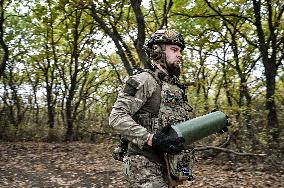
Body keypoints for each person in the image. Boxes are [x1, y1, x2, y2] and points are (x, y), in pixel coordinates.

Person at [109, 28, 194, 188]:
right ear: (157, 51)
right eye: (174, 50)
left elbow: (176, 126)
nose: (180, 55)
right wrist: (150, 138)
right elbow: (116, 117)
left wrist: (212, 124)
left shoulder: (174, 87)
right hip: (144, 164)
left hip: (169, 165)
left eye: (180, 51)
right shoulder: (144, 81)